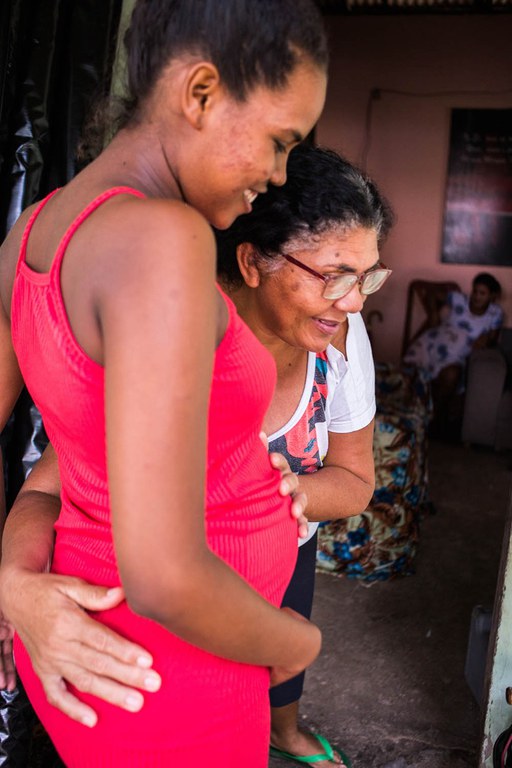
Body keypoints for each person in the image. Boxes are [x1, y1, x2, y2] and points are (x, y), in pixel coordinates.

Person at [0, 1, 329, 765]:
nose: (279, 175)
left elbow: (83, 453)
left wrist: (12, 579)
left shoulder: (32, 233)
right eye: (280, 142)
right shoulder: (161, 238)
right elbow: (166, 577)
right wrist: (297, 643)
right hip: (169, 674)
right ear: (201, 93)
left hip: (125, 663)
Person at [0, 144, 394, 767]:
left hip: (275, 564)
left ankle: (285, 731)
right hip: (161, 642)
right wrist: (15, 584)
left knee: (275, 694)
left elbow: (355, 479)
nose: (354, 301)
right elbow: (63, 493)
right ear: (252, 261)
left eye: (369, 278)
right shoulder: (176, 325)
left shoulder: (341, 336)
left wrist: (291, 493)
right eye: (335, 275)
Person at [403, 272, 503, 436]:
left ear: (492, 296)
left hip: (458, 353)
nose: (477, 296)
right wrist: (433, 314)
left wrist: (486, 339)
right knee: (410, 374)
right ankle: (410, 418)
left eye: (482, 293)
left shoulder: (495, 313)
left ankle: (434, 421)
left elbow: (491, 340)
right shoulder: (459, 299)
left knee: (451, 376)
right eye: (475, 291)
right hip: (434, 343)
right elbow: (432, 294)